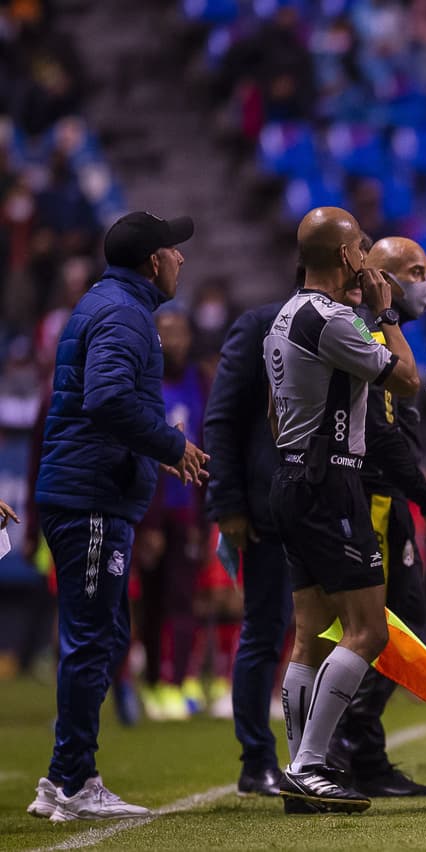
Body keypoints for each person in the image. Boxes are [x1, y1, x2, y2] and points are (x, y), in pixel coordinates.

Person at [29, 212, 208, 822]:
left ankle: (61, 777)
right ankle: (76, 781)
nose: (182, 259)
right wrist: (170, 444)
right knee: (94, 640)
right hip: (92, 498)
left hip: (87, 491)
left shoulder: (107, 304)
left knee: (99, 636)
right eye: (174, 250)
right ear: (153, 261)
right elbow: (104, 398)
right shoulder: (125, 313)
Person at [265, 206, 421, 814]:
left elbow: (278, 414)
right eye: (359, 245)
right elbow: (407, 379)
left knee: (309, 636)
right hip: (332, 480)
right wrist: (385, 315)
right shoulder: (330, 319)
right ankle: (309, 765)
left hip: (293, 474)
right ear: (345, 257)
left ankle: (303, 767)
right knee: (369, 630)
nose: (366, 255)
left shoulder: (283, 316)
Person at [328, 236, 426, 798]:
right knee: (379, 624)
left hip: (383, 496)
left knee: (392, 620)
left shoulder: (384, 327)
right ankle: (354, 746)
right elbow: (379, 432)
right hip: (373, 496)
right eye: (415, 270)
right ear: (382, 274)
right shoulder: (366, 329)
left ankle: (360, 748)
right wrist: (425, 496)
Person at [205, 289, 290, 798]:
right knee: (265, 629)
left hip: (333, 507)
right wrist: (228, 502)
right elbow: (222, 418)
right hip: (269, 506)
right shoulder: (260, 324)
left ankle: (333, 752)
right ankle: (256, 758)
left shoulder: (355, 326)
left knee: (344, 631)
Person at [135, 310, 209, 722]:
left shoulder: (200, 381)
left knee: (184, 597)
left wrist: (203, 517)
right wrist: (147, 523)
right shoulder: (144, 385)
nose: (175, 342)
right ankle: (150, 681)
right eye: (167, 335)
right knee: (150, 600)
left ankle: (177, 682)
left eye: (181, 333)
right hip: (151, 507)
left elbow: (209, 443)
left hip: (188, 509)